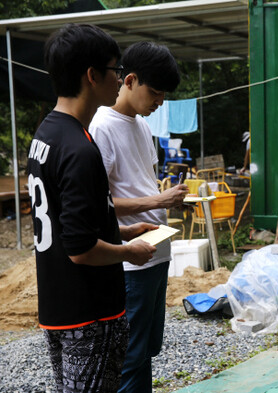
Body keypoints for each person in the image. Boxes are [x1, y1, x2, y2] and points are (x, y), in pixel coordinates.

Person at [26, 24, 157, 393]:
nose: (119, 80)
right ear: (92, 75)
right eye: (115, 70)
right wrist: (128, 251)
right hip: (91, 312)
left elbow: (67, 220)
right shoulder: (80, 149)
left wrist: (124, 231)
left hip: (57, 306)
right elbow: (81, 250)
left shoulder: (45, 136)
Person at [89, 41, 187, 393]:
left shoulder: (142, 125)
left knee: (146, 350)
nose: (159, 101)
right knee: (130, 357)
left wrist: (165, 201)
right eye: (156, 92)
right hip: (131, 260)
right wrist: (160, 198)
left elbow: (138, 186)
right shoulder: (102, 127)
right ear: (129, 80)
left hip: (156, 252)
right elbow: (99, 203)